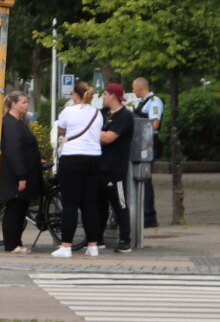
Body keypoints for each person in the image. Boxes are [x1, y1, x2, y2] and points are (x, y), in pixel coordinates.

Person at [51, 80, 105, 258]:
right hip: (94, 159)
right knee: (90, 204)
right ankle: (93, 246)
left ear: (75, 95)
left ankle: (66, 246)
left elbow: (61, 131)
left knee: (70, 205)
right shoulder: (97, 113)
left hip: (72, 158)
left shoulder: (68, 111)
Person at [0, 90, 42, 254]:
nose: (26, 105)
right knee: (14, 209)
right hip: (14, 175)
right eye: (23, 102)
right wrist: (21, 176)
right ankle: (12, 245)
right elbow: (13, 151)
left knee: (20, 209)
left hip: (22, 171)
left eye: (26, 102)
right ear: (13, 104)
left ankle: (17, 243)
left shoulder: (16, 122)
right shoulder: (10, 124)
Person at [99, 83, 135, 253]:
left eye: (105, 94)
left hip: (116, 168)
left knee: (119, 203)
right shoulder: (102, 113)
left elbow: (108, 138)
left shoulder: (125, 116)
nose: (103, 97)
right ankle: (97, 238)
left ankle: (125, 240)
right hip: (99, 166)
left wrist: (89, 132)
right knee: (99, 204)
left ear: (113, 95)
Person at [131, 77, 162, 228]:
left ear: (140, 87)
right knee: (143, 177)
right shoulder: (143, 102)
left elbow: (155, 123)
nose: (133, 90)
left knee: (146, 178)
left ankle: (149, 216)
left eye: (134, 87)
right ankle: (144, 214)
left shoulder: (154, 102)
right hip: (142, 143)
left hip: (149, 143)